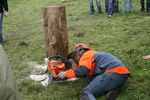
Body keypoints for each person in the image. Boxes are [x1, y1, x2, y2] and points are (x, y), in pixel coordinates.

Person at [57, 43, 131, 100]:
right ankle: (112, 89)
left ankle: (111, 88)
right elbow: (88, 73)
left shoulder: (86, 55)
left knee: (85, 93)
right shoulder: (94, 55)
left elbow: (83, 70)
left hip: (113, 73)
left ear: (79, 52)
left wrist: (66, 74)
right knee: (93, 80)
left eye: (74, 56)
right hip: (120, 74)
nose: (75, 60)